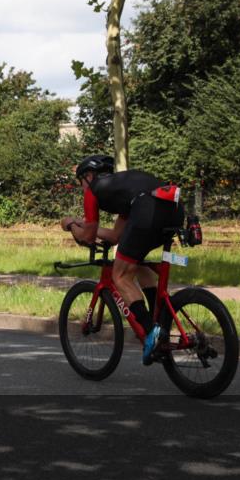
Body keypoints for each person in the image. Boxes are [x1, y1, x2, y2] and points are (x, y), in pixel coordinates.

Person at [61, 155, 184, 365]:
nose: (82, 187)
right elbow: (116, 236)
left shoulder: (93, 188)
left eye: (81, 181)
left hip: (147, 211)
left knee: (120, 275)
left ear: (89, 176)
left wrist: (71, 224)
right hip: (173, 208)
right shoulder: (125, 188)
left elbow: (88, 238)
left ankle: (150, 331)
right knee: (136, 264)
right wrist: (85, 224)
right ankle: (159, 321)